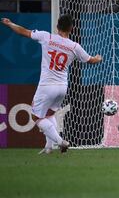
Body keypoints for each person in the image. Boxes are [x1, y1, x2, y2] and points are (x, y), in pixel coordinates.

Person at [1, 14, 102, 154]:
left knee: (36, 117)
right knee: (49, 115)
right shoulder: (74, 46)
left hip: (47, 86)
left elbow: (23, 31)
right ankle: (49, 147)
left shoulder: (46, 37)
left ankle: (61, 142)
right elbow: (90, 60)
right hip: (62, 87)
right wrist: (98, 58)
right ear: (71, 28)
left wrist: (10, 23)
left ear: (57, 26)